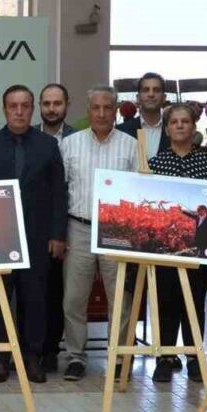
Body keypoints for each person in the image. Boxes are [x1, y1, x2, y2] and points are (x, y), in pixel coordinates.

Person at [0, 85, 66, 384]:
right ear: (3, 109)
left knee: (34, 298)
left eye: (25, 106)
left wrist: (57, 234)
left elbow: (58, 194)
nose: (19, 111)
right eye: (13, 106)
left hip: (38, 236)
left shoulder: (47, 146)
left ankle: (31, 358)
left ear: (32, 109)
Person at [57, 86, 138, 381]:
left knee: (120, 297)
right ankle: (76, 356)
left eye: (108, 108)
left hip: (117, 231)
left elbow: (139, 192)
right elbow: (59, 190)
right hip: (78, 227)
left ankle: (118, 357)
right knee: (74, 298)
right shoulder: (70, 144)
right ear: (87, 110)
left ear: (116, 110)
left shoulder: (131, 146)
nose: (102, 113)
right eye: (96, 108)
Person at [148, 104, 207, 383]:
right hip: (164, 245)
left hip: (200, 244)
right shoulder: (155, 163)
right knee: (166, 301)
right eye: (174, 122)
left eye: (185, 121)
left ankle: (194, 355)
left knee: (195, 302)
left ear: (194, 127)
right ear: (167, 128)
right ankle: (166, 357)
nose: (180, 126)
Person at [37, 82, 75, 371]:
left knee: (63, 292)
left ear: (66, 105)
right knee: (41, 289)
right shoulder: (29, 136)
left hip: (71, 223)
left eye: (57, 103)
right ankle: (35, 348)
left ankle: (53, 348)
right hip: (38, 226)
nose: (51, 109)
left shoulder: (79, 138)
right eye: (46, 103)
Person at [118, 72, 171, 163]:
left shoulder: (175, 129)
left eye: (156, 90)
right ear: (138, 98)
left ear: (164, 98)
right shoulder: (121, 131)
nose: (151, 94)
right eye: (146, 90)